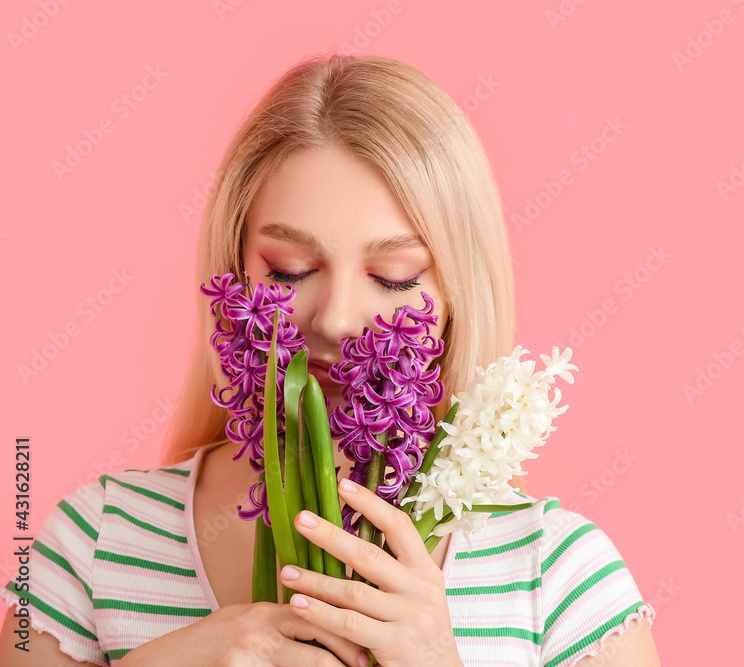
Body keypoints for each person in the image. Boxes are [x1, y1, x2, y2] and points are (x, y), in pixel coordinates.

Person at [1, 52, 659, 666]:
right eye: (291, 269)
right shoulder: (91, 544)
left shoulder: (560, 577)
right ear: (233, 270)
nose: (337, 318)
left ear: (457, 293)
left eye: (395, 277)